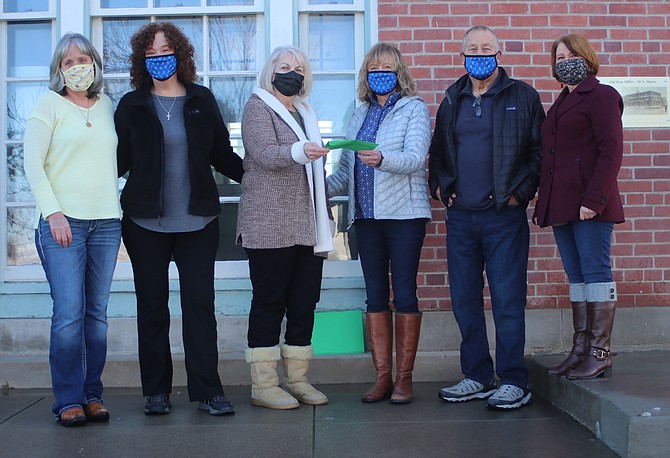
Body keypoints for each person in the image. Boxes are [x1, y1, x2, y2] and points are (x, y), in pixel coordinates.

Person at [115, 22, 243, 416]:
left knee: (200, 307)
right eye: (151, 55)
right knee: (152, 308)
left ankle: (208, 391)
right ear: (142, 60)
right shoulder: (131, 105)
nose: (159, 60)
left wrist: (263, 176)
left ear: (181, 55)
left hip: (198, 223)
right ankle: (157, 392)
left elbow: (222, 155)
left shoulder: (202, 100)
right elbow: (115, 162)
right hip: (144, 225)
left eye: (165, 52)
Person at [428, 26, 544, 410]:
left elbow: (538, 153)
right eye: (472, 49)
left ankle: (514, 380)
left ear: (498, 52)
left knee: (508, 301)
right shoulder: (452, 98)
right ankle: (477, 375)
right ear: (462, 54)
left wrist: (519, 194)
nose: (480, 54)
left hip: (503, 218)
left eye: (486, 48)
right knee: (464, 300)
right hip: (461, 219)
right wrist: (444, 189)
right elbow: (439, 154)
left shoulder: (523, 96)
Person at [23, 33, 122, 426]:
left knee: (96, 314)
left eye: (83, 59)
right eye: (68, 62)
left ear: (95, 64)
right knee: (68, 313)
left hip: (106, 223)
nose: (76, 66)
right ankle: (68, 400)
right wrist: (54, 213)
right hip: (62, 222)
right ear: (58, 71)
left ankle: (92, 394)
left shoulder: (108, 106)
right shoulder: (48, 105)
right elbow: (33, 165)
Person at [327, 43, 431, 404]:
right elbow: (344, 172)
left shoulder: (413, 109)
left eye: (386, 67)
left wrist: (382, 158)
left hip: (404, 216)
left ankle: (404, 379)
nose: (379, 73)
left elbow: (416, 159)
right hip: (366, 218)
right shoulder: (359, 114)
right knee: (374, 295)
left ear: (398, 71)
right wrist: (313, 188)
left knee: (403, 292)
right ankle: (381, 377)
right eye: (373, 68)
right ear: (366, 75)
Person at [238, 45, 334, 410]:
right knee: (269, 302)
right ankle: (263, 385)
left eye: (299, 68)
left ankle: (297, 379)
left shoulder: (306, 112)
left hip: (308, 225)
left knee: (303, 303)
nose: (291, 73)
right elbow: (264, 153)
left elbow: (316, 172)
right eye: (284, 67)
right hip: (269, 224)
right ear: (270, 72)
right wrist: (301, 151)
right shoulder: (256, 107)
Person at [533, 34, 624, 380]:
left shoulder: (602, 96)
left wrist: (593, 200)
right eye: (558, 58)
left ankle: (600, 353)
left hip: (590, 206)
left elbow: (610, 151)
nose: (565, 61)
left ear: (586, 57)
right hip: (562, 206)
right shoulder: (560, 103)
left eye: (571, 55)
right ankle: (580, 350)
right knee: (577, 279)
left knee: (596, 275)